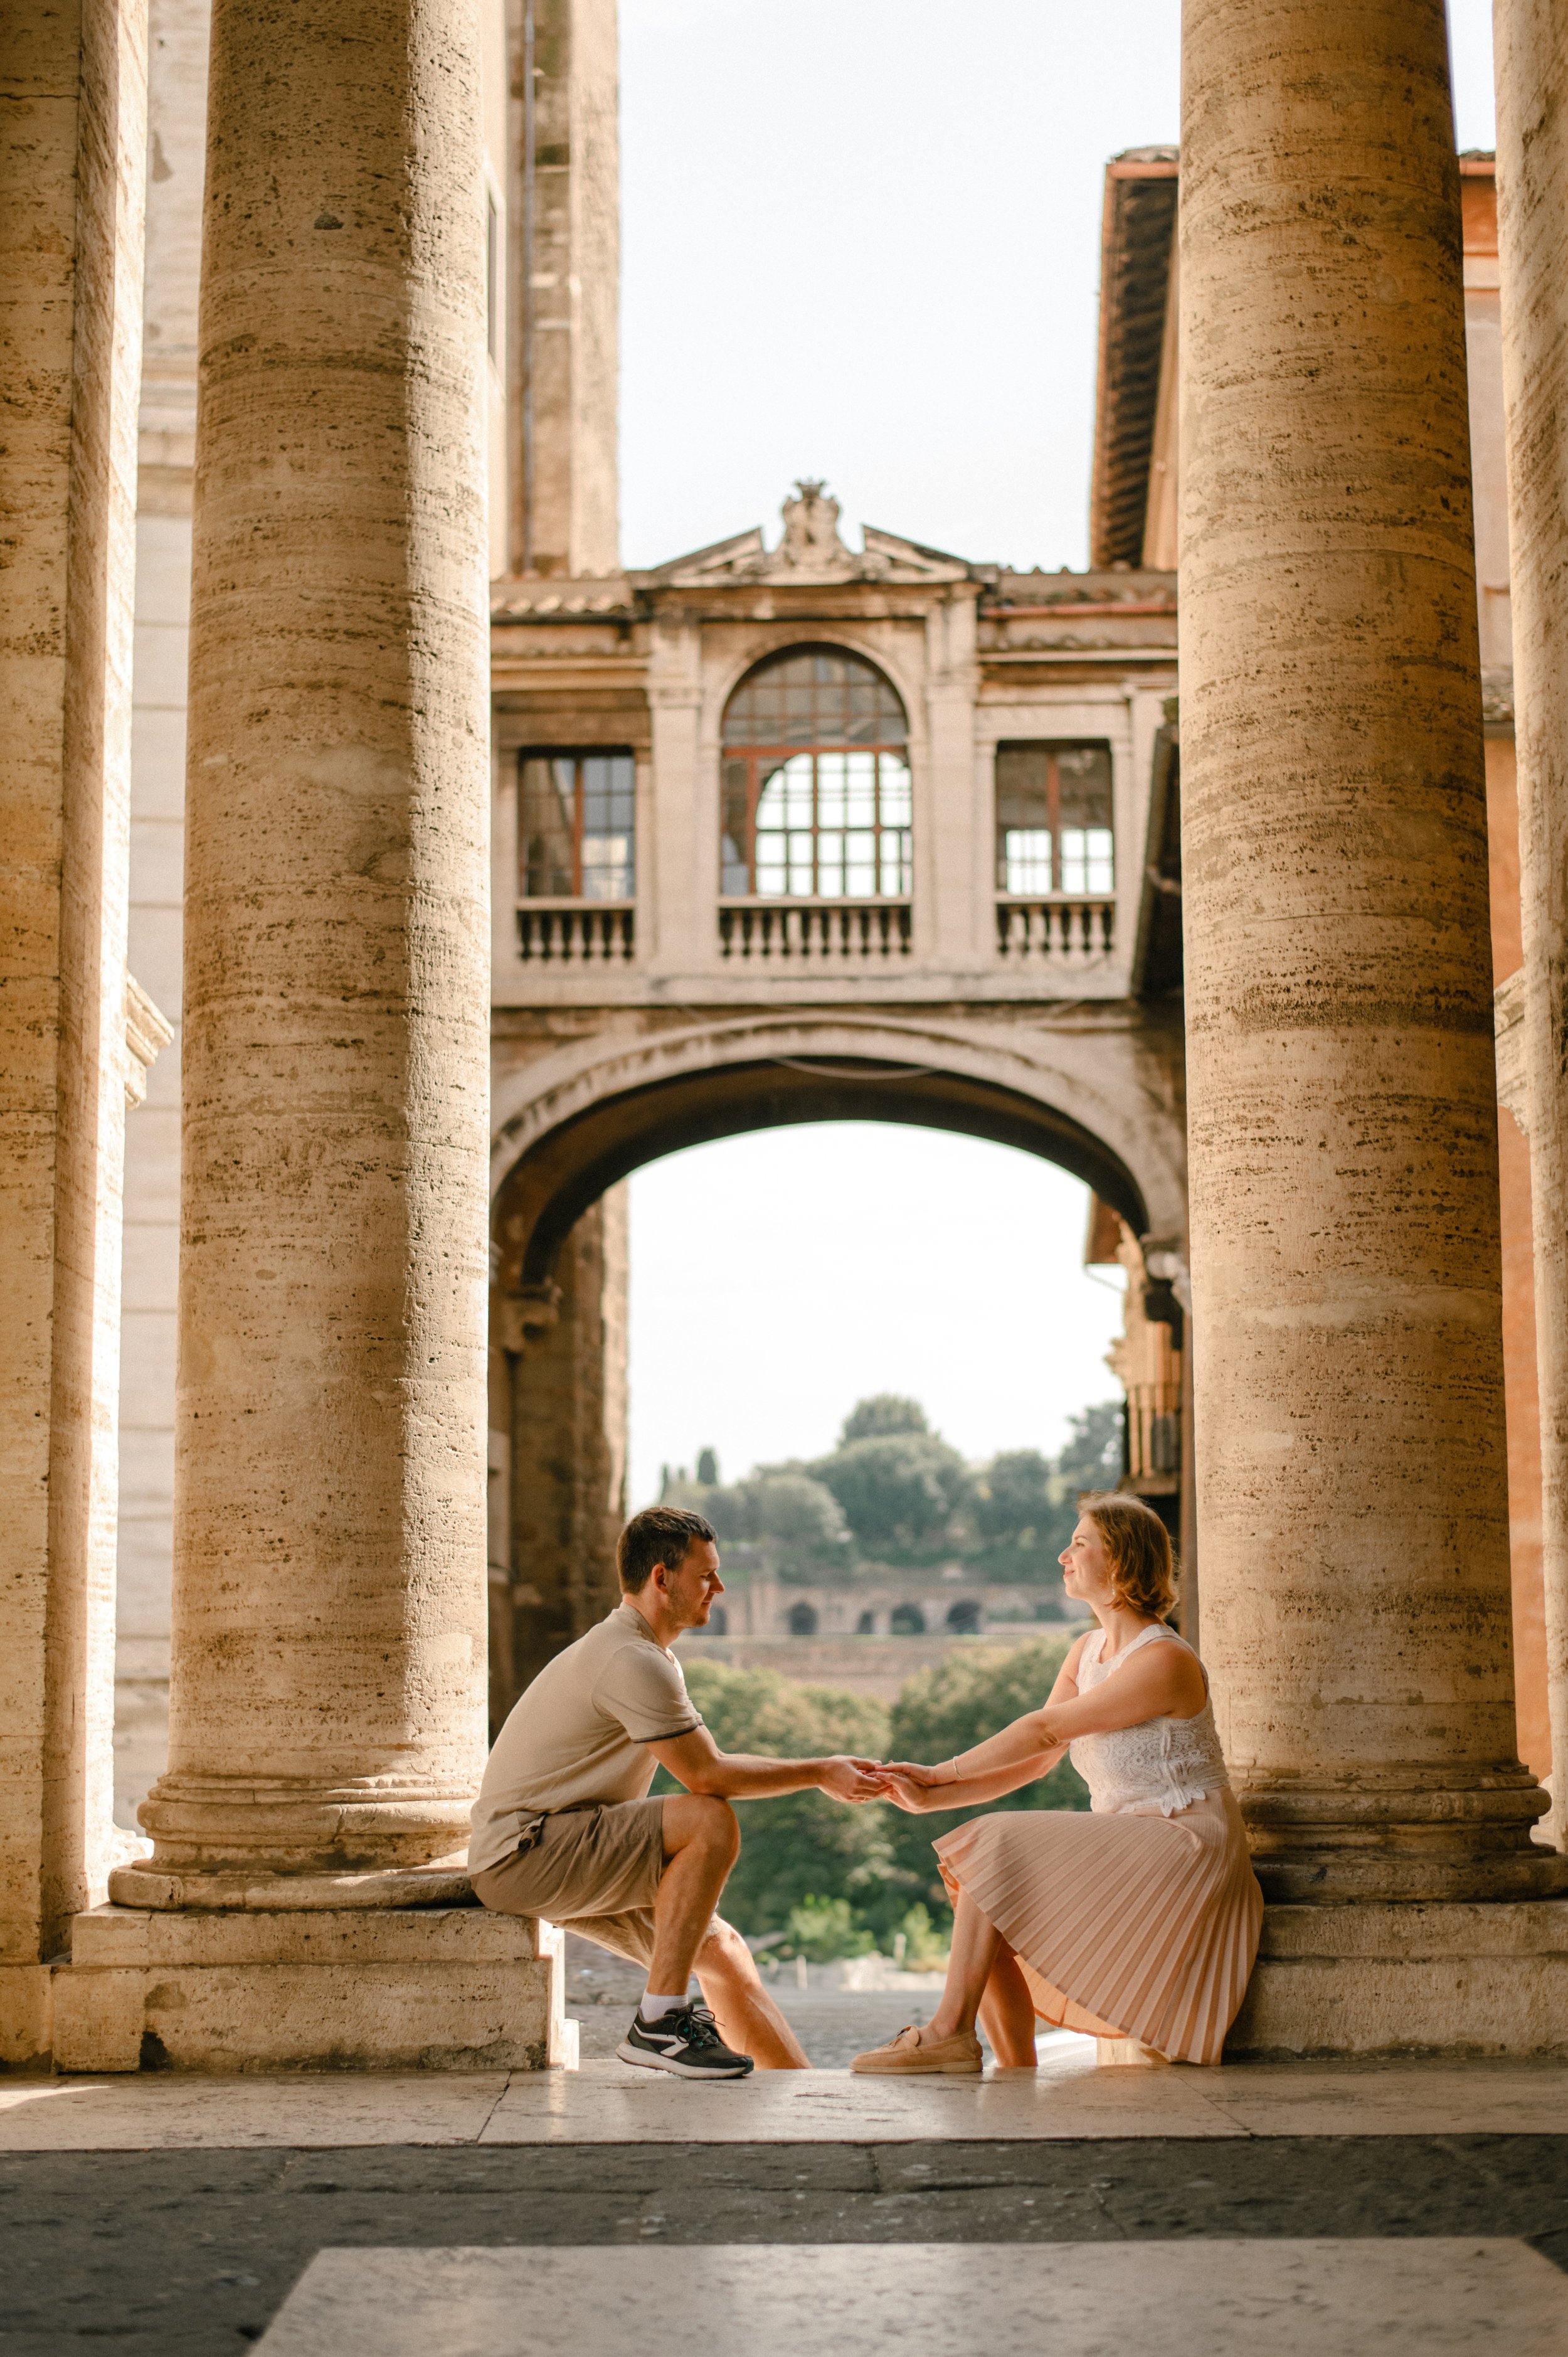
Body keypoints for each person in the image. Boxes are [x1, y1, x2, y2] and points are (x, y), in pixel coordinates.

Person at [470, 1504, 887, 2079]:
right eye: (707, 1574)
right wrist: (820, 1771)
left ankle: (801, 2092)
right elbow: (708, 1776)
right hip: (528, 1853)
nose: (720, 1585)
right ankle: (660, 2022)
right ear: (662, 1579)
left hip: (555, 1845)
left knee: (725, 1952)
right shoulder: (630, 1658)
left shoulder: (644, 1652)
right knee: (709, 1820)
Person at [850, 1493, 1263, 2074]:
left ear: (1119, 1561)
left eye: (1080, 1542)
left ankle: (948, 2032)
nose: (1063, 1555)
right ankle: (1012, 2065)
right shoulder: (1087, 1650)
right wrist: (932, 1799)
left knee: (992, 1846)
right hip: (1132, 1842)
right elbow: (1034, 1764)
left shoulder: (1164, 1659)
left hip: (1187, 1845)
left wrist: (940, 1772)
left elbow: (1044, 1731)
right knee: (978, 1875)